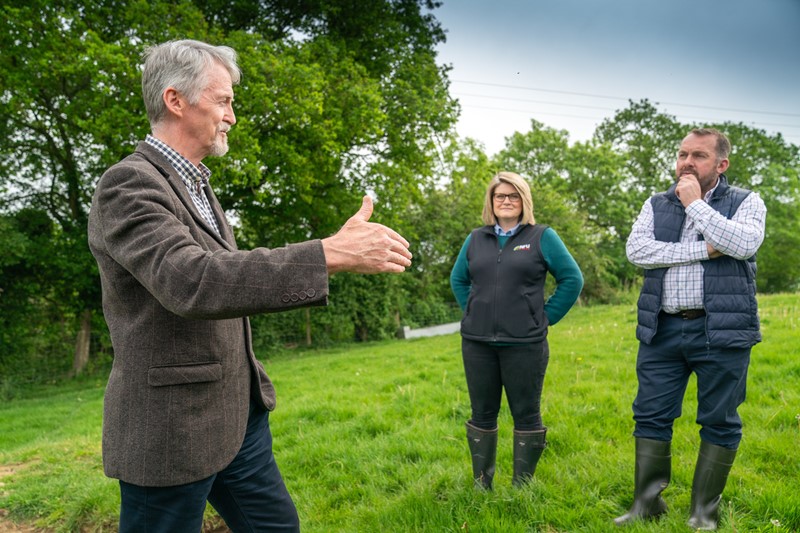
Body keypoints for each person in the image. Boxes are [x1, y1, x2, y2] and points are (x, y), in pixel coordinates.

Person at [87, 39, 412, 533]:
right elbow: (193, 281)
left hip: (238, 416)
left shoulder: (196, 182)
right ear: (176, 101)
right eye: (224, 100)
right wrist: (327, 253)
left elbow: (225, 272)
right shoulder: (128, 185)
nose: (232, 116)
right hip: (173, 428)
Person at [615, 128, 766, 530]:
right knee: (649, 414)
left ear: (721, 164)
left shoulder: (746, 202)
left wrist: (696, 206)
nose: (686, 161)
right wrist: (703, 250)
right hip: (661, 329)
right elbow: (638, 252)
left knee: (719, 419)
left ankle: (703, 513)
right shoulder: (656, 203)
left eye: (698, 155)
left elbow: (744, 244)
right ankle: (646, 504)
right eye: (682, 153)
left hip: (722, 330)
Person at [449, 171, 583, 490]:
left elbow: (572, 279)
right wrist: (474, 311)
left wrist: (543, 317)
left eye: (513, 196)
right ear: (491, 202)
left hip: (525, 344)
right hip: (477, 344)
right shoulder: (476, 238)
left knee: (526, 414)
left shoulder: (541, 236)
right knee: (482, 413)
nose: (506, 201)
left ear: (524, 201)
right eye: (500, 196)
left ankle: (522, 487)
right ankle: (483, 484)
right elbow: (458, 279)